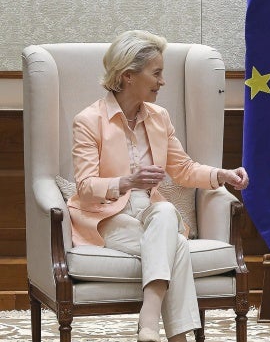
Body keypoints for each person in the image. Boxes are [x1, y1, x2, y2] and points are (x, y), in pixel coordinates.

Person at [67, 30, 249, 342]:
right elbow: (84, 187)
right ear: (127, 76)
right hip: (105, 218)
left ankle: (148, 322)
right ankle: (169, 333)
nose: (162, 81)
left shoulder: (159, 117)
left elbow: (183, 169)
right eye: (157, 73)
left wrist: (222, 175)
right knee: (175, 246)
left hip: (150, 213)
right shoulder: (88, 121)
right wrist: (127, 182)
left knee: (164, 211)